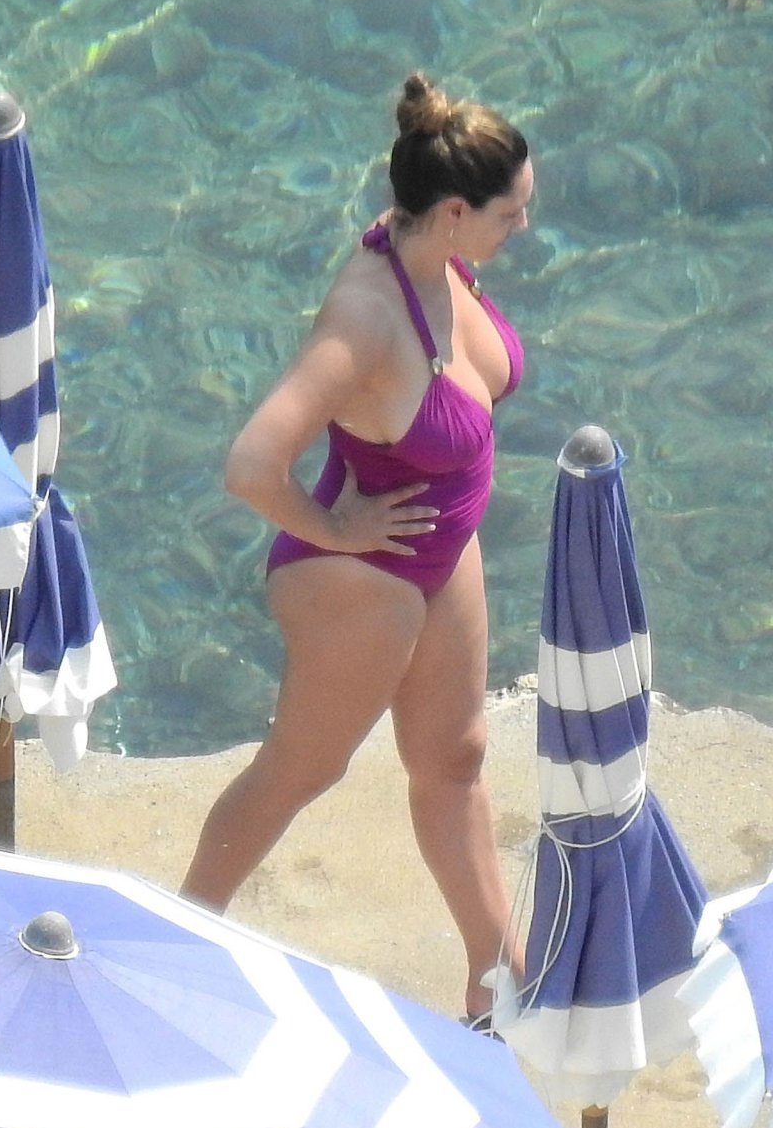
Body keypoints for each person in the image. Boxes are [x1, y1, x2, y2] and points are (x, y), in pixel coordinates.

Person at [182, 71, 534, 1023]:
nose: (522, 228)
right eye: (510, 214)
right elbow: (252, 464)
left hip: (439, 547)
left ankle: (498, 981)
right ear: (454, 212)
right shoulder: (368, 318)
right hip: (358, 576)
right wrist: (339, 528)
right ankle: (180, 937)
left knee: (455, 758)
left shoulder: (431, 255)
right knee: (302, 768)